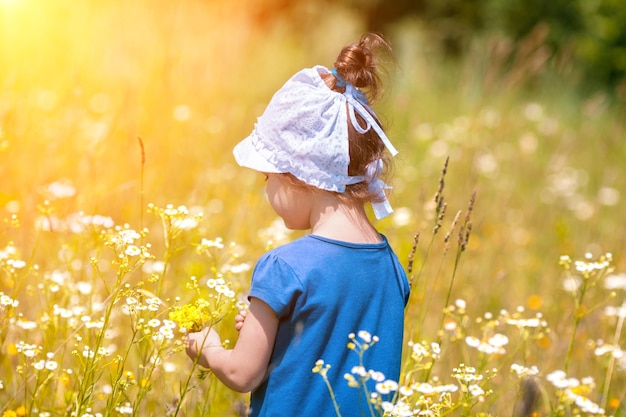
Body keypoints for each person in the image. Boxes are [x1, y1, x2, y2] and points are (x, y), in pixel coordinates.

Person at [186, 33, 410, 417]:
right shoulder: (391, 266)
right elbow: (331, 346)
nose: (266, 191)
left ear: (300, 175)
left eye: (268, 177)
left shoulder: (284, 268)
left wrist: (208, 349)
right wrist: (277, 330)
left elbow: (243, 374)